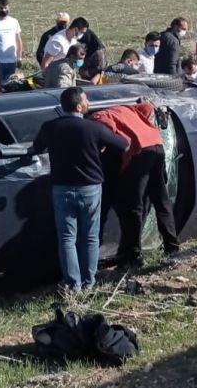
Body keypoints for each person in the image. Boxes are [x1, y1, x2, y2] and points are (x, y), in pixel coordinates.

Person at [28, 88, 129, 291]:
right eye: (86, 100)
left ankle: (72, 284)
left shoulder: (50, 127)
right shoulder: (93, 128)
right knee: (90, 236)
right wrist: (101, 147)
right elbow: (124, 145)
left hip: (62, 188)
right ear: (78, 106)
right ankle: (89, 282)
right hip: (90, 188)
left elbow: (34, 149)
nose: (89, 102)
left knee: (67, 238)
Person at [92, 102, 180, 266]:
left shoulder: (99, 116)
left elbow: (108, 132)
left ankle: (133, 255)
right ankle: (172, 247)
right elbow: (146, 107)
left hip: (139, 150)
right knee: (161, 199)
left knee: (133, 205)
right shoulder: (127, 107)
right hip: (156, 143)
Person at [0, 0, 23, 85]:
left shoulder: (14, 22)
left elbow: (19, 41)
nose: (3, 10)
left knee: (11, 86)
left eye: (5, 8)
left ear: (9, 8)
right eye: (1, 8)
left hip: (12, 61)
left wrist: (19, 58)